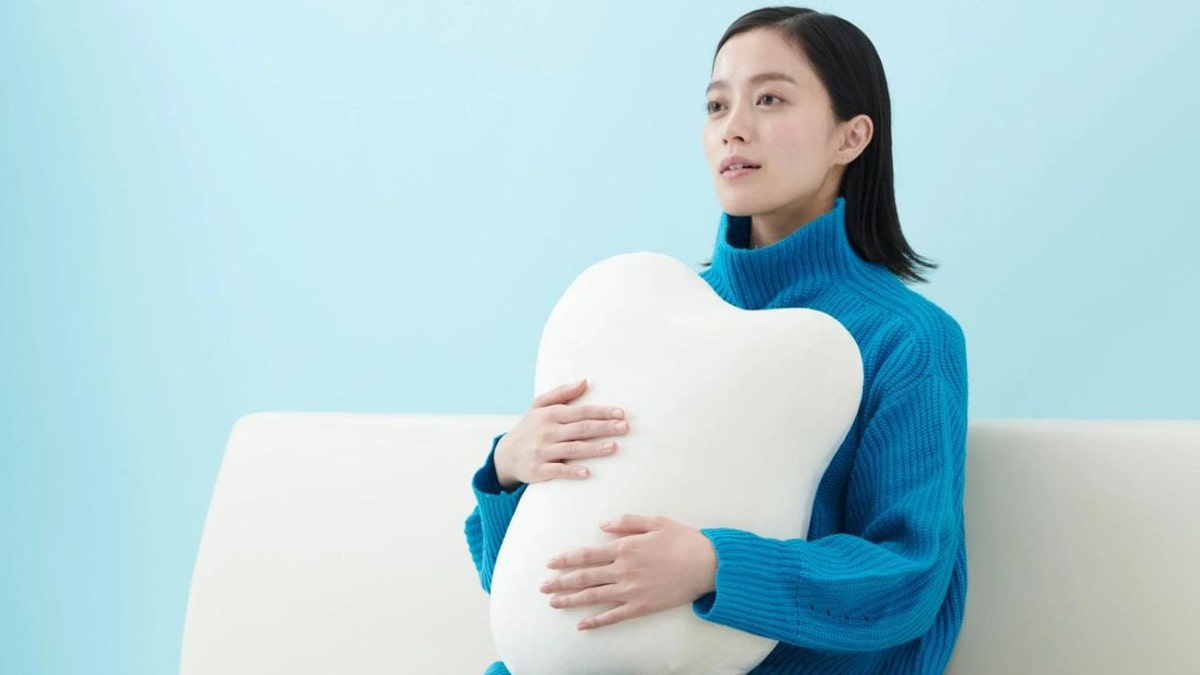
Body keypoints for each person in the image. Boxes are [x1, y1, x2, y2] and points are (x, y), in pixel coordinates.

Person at [464, 6, 969, 673]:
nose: (734, 127)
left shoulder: (907, 340)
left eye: (768, 99)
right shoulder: (646, 311)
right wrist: (508, 471)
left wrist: (713, 565)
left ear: (851, 137)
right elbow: (513, 576)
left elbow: (910, 575)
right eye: (715, 104)